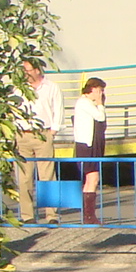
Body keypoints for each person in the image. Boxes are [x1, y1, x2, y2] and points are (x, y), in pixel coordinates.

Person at [14, 61, 64, 225]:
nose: (25, 73)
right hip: (23, 134)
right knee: (24, 177)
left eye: (27, 70)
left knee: (47, 175)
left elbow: (58, 108)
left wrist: (53, 131)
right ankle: (27, 215)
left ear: (37, 70)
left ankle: (51, 215)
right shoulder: (17, 88)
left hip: (43, 133)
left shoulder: (51, 87)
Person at [69, 76, 108, 224]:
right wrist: (100, 104)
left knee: (91, 179)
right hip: (87, 145)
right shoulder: (84, 103)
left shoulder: (88, 103)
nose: (101, 94)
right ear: (93, 89)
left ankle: (89, 215)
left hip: (93, 144)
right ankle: (89, 215)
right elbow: (100, 117)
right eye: (100, 90)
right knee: (92, 178)